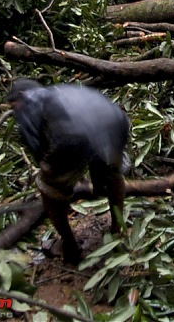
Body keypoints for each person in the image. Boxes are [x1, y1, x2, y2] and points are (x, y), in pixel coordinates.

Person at [7, 79, 130, 263]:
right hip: (117, 121)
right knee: (112, 173)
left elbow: (36, 147)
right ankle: (117, 230)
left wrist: (53, 171)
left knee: (48, 189)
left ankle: (70, 246)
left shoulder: (26, 102)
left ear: (19, 98)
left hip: (74, 137)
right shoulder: (60, 90)